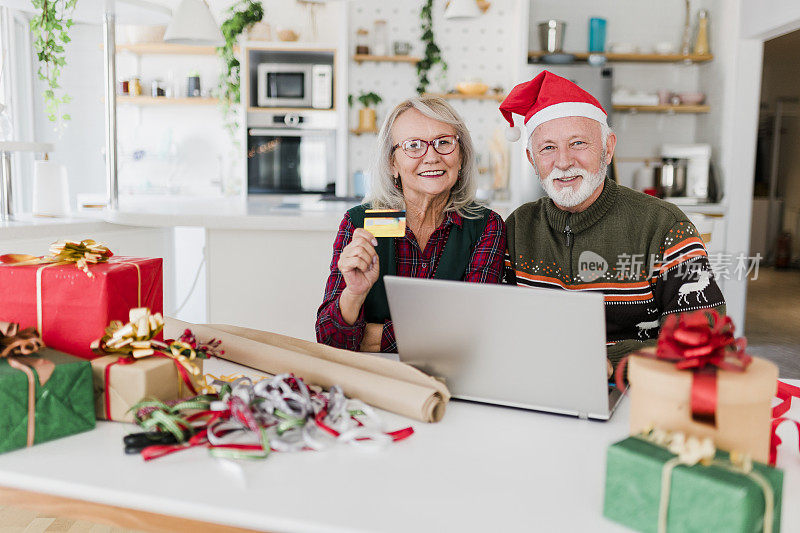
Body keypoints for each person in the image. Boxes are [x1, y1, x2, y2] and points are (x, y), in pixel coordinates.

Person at [499, 71, 725, 373]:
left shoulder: (664, 226)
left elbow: (705, 337)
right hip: (537, 379)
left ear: (608, 149)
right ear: (531, 158)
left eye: (578, 143)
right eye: (548, 148)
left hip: (635, 388)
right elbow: (499, 325)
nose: (563, 162)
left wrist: (609, 362)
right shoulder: (517, 226)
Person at [316, 96, 507, 353]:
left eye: (444, 143)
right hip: (374, 380)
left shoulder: (485, 226)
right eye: (413, 146)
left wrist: (367, 336)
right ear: (392, 163)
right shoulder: (361, 223)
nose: (431, 156)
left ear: (461, 157)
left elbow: (473, 332)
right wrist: (355, 293)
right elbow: (329, 341)